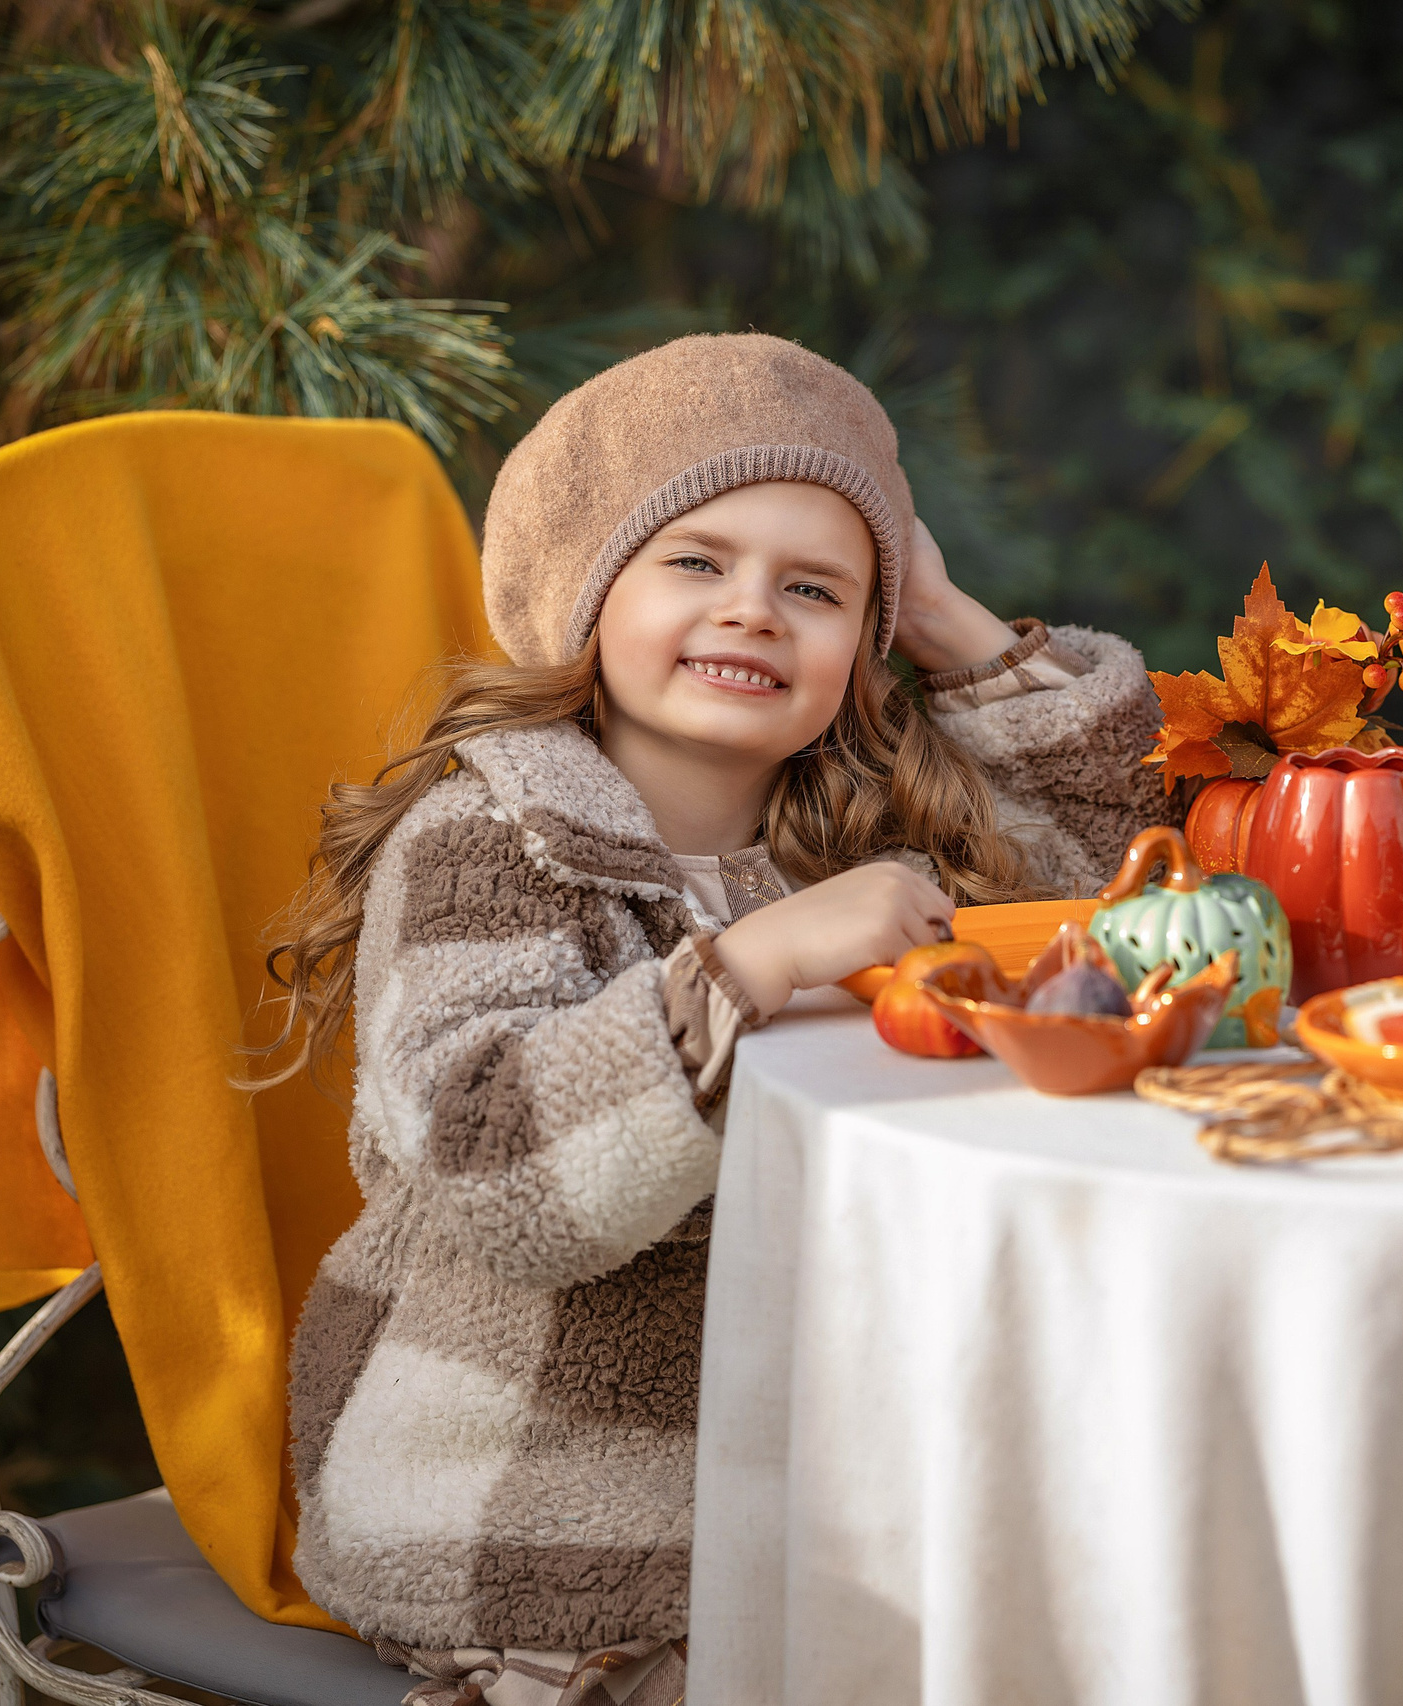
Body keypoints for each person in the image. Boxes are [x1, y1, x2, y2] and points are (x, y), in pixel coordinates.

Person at [256, 333, 1178, 1706]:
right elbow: (498, 1170)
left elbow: (1110, 887)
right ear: (587, 594)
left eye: (813, 589)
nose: (753, 610)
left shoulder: (843, 839)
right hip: (536, 1491)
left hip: (804, 1464)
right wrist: (743, 968)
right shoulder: (490, 842)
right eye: (696, 561)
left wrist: (938, 613)